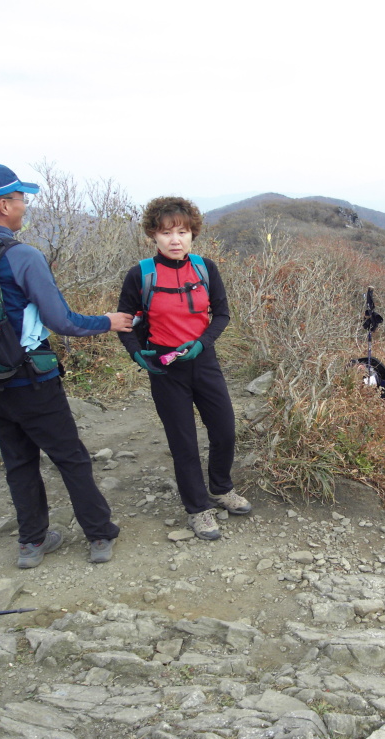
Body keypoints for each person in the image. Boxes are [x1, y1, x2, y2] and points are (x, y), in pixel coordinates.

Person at [0, 163, 131, 568]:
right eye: (21, 198)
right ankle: (99, 534)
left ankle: (31, 545)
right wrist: (107, 322)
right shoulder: (22, 256)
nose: (24, 205)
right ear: (3, 205)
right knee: (70, 457)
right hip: (30, 379)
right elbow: (63, 322)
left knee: (18, 460)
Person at [116, 196, 250, 541]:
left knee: (224, 429)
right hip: (164, 368)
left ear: (193, 234)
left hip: (202, 360)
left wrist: (203, 343)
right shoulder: (140, 275)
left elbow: (221, 314)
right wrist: (137, 355)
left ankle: (221, 488)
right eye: (166, 233)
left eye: (183, 232)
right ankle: (198, 509)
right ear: (153, 236)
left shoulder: (205, 269)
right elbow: (125, 323)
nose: (175, 240)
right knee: (183, 442)